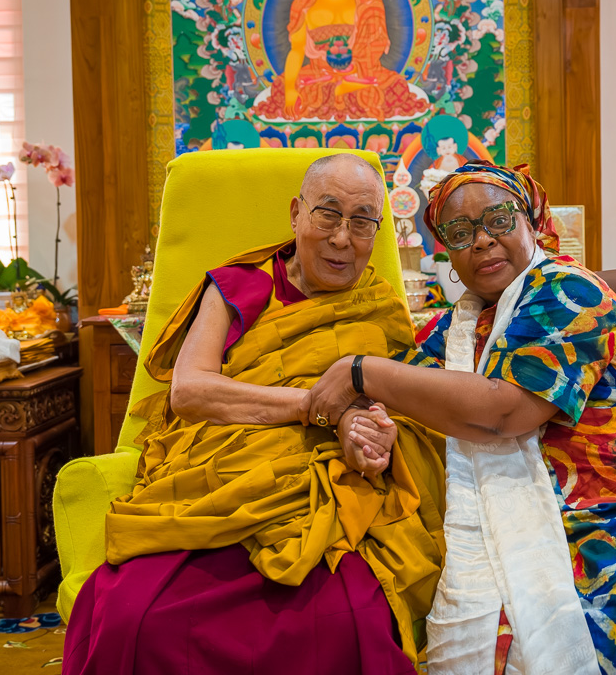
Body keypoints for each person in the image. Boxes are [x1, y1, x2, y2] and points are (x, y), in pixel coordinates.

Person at [306, 162, 616, 674]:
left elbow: (503, 410)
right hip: (546, 514)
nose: (483, 241)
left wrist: (361, 372)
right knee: (493, 634)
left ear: (531, 222)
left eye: (499, 219)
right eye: (461, 232)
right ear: (446, 251)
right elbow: (406, 399)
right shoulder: (453, 332)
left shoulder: (568, 292)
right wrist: (366, 423)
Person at [63, 154, 447, 675]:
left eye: (361, 222)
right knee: (136, 615)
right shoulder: (237, 285)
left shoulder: (380, 307)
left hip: (329, 490)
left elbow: (407, 417)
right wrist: (320, 409)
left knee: (347, 616)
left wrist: (373, 438)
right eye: (328, 214)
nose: (342, 239)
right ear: (296, 213)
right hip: (219, 478)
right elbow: (190, 391)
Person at [254, 0, 428, 122]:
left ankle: (343, 90)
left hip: (361, 74)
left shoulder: (370, 1)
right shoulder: (303, 3)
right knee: (282, 87)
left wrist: (350, 69)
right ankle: (338, 92)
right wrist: (290, 89)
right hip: (318, 74)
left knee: (395, 85)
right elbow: (296, 51)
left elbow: (376, 47)